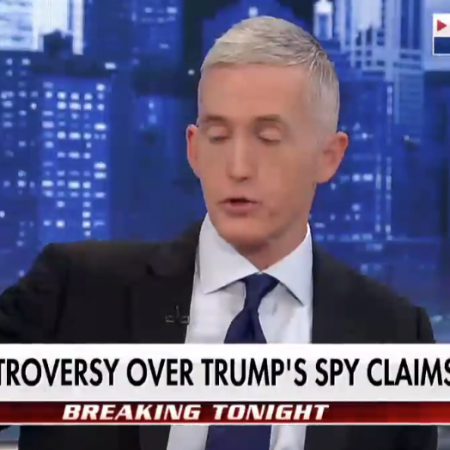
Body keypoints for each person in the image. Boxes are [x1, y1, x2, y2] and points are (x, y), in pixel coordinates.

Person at [0, 16, 436, 450]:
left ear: (329, 156)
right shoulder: (73, 290)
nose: (238, 167)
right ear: (193, 149)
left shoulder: (395, 335)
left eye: (268, 138)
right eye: (218, 136)